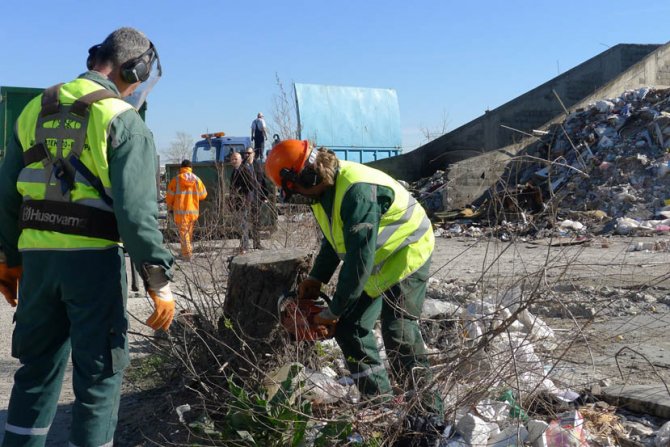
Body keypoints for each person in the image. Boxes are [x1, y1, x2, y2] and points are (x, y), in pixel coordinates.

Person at [0, 27, 175, 447]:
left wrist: (8, 258)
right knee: (98, 377)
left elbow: (7, 194)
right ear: (136, 68)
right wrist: (158, 281)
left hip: (38, 265)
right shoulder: (122, 120)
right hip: (93, 265)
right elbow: (135, 214)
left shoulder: (32, 111)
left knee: (35, 373)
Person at [265, 140, 442, 415]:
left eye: (295, 188)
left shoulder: (356, 193)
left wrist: (335, 309)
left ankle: (430, 415)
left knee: (399, 333)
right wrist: (317, 277)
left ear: (306, 176)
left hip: (408, 251)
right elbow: (336, 240)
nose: (298, 195)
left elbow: (359, 261)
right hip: (377, 261)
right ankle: (380, 405)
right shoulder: (321, 192)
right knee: (350, 329)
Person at [166, 159, 208, 260]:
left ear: (181, 168)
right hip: (193, 211)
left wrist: (170, 207)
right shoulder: (197, 179)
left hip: (180, 211)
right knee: (188, 232)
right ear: (190, 168)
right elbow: (203, 195)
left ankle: (187, 254)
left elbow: (169, 197)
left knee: (184, 233)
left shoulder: (176, 180)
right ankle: (187, 251)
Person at [229, 149, 265, 252]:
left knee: (244, 224)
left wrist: (241, 192)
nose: (233, 161)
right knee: (241, 224)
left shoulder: (243, 170)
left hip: (244, 201)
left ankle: (245, 246)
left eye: (235, 159)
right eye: (232, 159)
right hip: (238, 202)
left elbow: (251, 184)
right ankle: (244, 244)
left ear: (240, 160)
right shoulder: (235, 171)